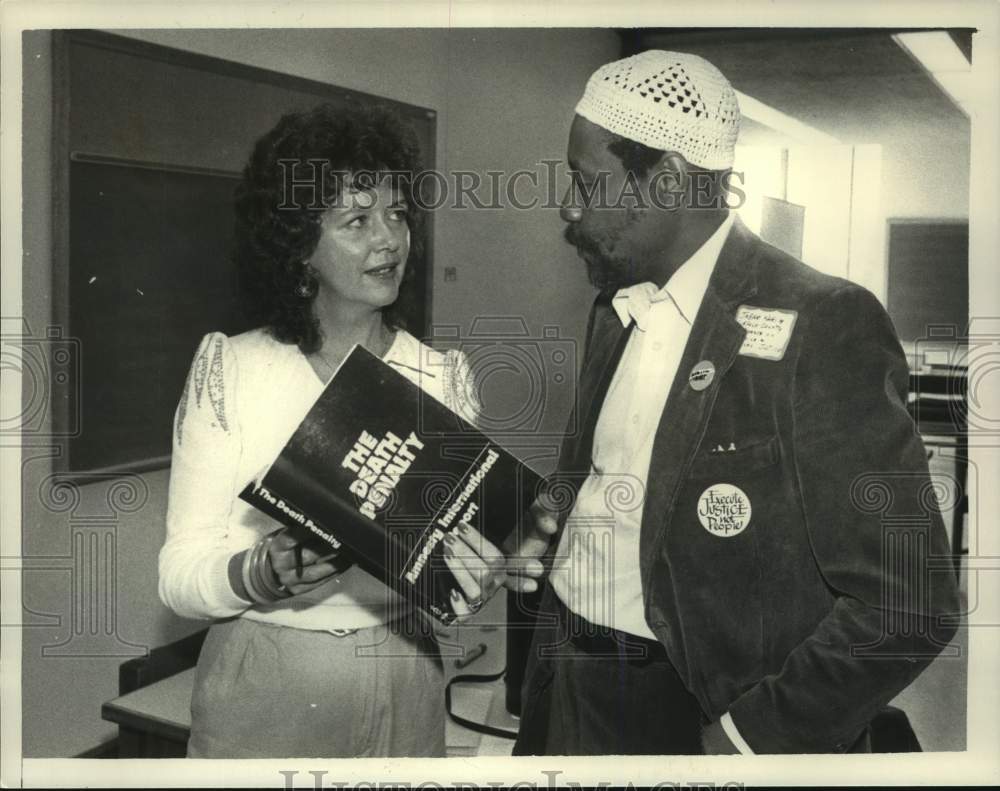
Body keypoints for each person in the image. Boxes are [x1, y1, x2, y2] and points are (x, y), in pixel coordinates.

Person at [505, 50, 961, 755]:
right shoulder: (613, 306)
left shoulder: (824, 323)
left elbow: (909, 600)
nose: (568, 207)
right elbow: (604, 472)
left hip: (690, 709)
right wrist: (552, 525)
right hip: (566, 681)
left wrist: (750, 738)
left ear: (666, 180)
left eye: (587, 183)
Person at [159, 103, 502, 758]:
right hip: (265, 678)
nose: (391, 239)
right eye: (357, 220)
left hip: (407, 676)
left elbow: (449, 576)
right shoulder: (231, 368)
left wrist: (472, 579)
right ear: (299, 246)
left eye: (398, 214)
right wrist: (258, 570)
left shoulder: (441, 379)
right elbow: (178, 572)